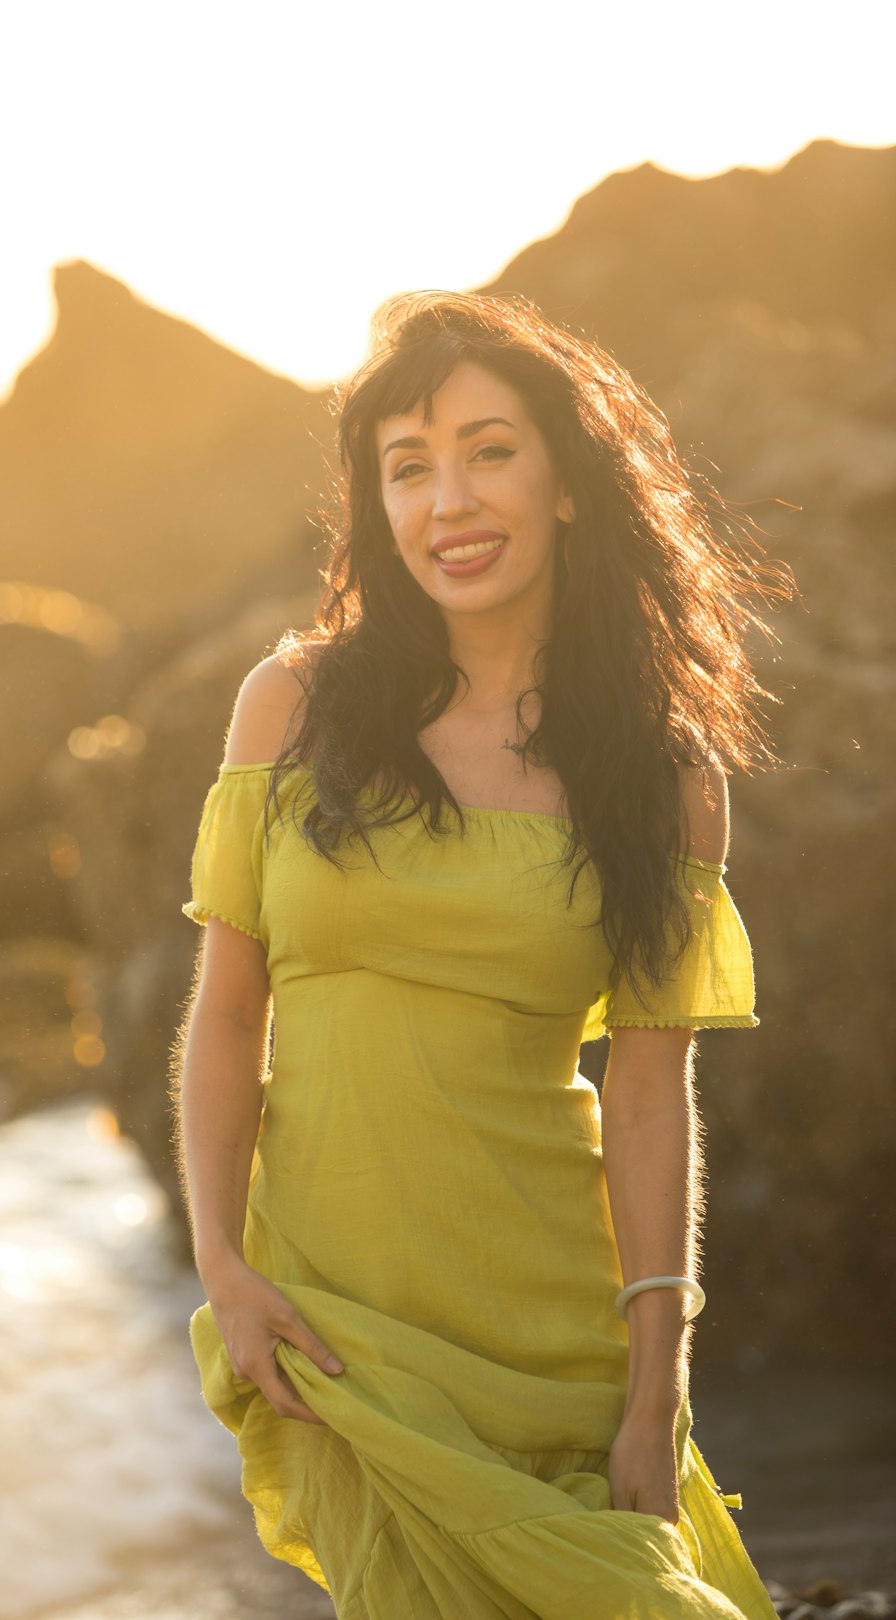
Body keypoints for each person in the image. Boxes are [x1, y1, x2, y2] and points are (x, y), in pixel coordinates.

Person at [172, 290, 791, 1620]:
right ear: (376, 511)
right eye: (408, 468)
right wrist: (221, 1266)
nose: (447, 500)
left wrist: (653, 1390)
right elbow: (228, 1013)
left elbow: (645, 1091)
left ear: (568, 483)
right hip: (342, 1329)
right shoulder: (292, 708)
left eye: (488, 451)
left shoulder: (662, 775)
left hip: (552, 1332)